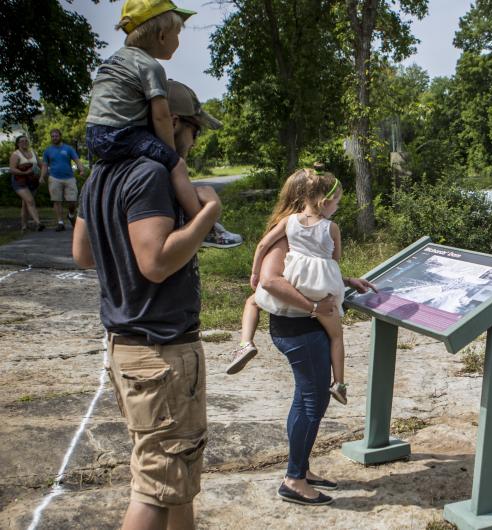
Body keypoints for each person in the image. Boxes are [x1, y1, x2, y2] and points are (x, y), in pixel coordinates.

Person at [72, 79, 221, 530]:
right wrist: (206, 216)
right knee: (156, 488)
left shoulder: (102, 172)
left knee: (175, 472)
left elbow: (82, 253)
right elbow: (156, 262)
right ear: (173, 123)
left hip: (126, 346)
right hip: (162, 351)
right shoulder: (151, 174)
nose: (194, 141)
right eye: (195, 128)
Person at [84, 0, 241, 248]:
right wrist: (169, 156)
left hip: (94, 134)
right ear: (161, 35)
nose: (178, 41)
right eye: (177, 34)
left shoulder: (112, 61)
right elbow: (160, 115)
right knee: (177, 166)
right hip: (123, 133)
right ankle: (206, 227)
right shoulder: (150, 66)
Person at [257, 225, 375, 505]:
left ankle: (301, 469)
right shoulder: (284, 237)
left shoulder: (300, 235)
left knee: (305, 398)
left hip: (307, 326)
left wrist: (343, 281)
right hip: (299, 328)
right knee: (312, 400)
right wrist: (313, 307)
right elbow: (271, 281)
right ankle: (294, 481)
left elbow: (306, 275)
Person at [226, 168, 353, 407]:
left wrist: (254, 272)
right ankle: (339, 383)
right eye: (337, 202)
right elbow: (334, 261)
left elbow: (263, 244)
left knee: (253, 301)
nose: (337, 206)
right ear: (325, 202)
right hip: (323, 287)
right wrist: (339, 282)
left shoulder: (288, 222)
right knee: (337, 336)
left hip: (296, 281)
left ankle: (245, 343)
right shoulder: (332, 227)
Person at [40, 129, 85, 231]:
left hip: (69, 177)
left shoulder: (68, 149)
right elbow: (45, 165)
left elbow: (77, 160)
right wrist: (42, 176)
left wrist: (81, 170)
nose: (54, 138)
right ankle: (60, 223)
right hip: (54, 178)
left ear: (60, 136)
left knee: (72, 201)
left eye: (56, 136)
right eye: (52, 136)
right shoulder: (48, 151)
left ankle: (71, 214)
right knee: (57, 201)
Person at [8, 135, 44, 232]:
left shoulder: (33, 152)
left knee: (26, 204)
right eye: (22, 141)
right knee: (30, 201)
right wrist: (24, 172)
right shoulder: (15, 154)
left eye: (26, 141)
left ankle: (24, 227)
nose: (24, 143)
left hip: (32, 181)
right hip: (19, 181)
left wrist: (42, 176)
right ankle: (38, 223)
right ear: (18, 143)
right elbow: (12, 169)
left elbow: (42, 165)